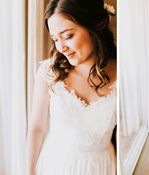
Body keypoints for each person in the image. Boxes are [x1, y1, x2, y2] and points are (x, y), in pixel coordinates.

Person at [26, 0, 117, 174]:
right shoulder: (48, 72)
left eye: (68, 36)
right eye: (55, 39)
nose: (61, 48)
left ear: (94, 26)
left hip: (101, 167)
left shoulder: (122, 74)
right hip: (56, 165)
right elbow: (36, 127)